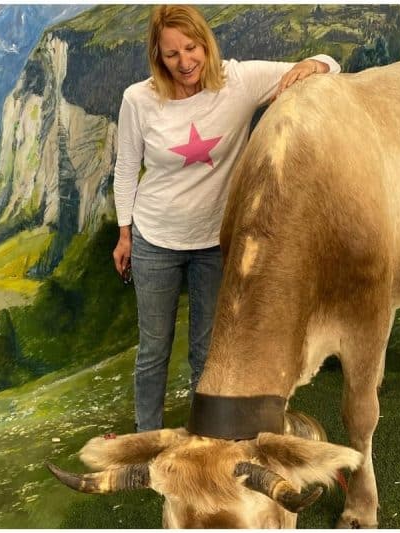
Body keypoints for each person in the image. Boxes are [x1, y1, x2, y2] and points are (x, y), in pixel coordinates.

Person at [112, 5, 341, 432]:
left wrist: (311, 64)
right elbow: (126, 169)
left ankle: (205, 436)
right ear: (157, 57)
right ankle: (148, 436)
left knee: (206, 350)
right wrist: (124, 234)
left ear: (206, 43)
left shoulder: (238, 81)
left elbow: (330, 65)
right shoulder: (138, 99)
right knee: (153, 351)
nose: (184, 62)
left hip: (214, 244)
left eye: (191, 48)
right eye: (171, 54)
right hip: (155, 239)